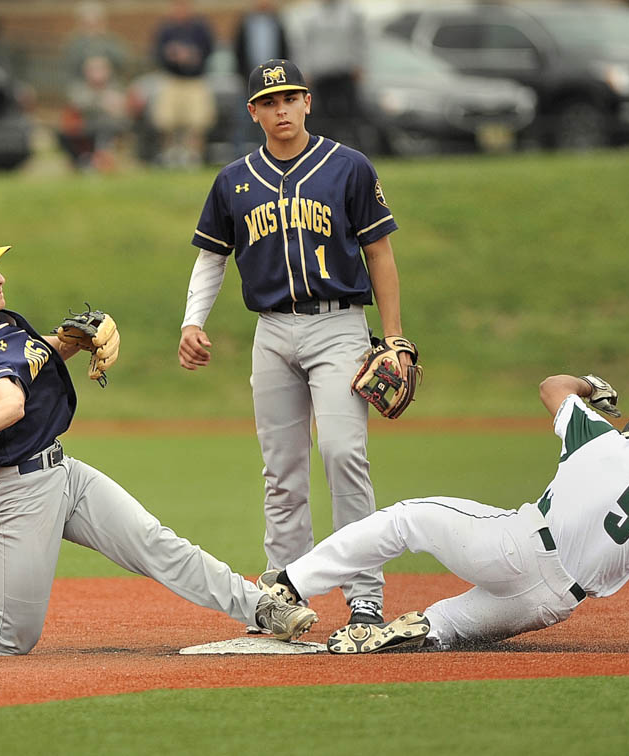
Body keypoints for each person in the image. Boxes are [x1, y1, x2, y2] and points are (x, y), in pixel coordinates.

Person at [0, 233, 318, 655]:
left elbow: (30, 359)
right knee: (13, 633)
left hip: (64, 474)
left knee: (157, 543)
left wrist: (67, 341)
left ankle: (262, 607)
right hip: (16, 493)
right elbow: (11, 404)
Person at [257, 374, 629, 655]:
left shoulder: (603, 439)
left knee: (404, 520)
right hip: (551, 605)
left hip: (517, 547)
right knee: (449, 626)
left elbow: (552, 386)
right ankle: (426, 626)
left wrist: (591, 386)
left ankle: (291, 582)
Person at [177, 59, 412, 629]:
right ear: (253, 111)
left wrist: (397, 335)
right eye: (269, 101)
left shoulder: (347, 167)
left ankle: (364, 595)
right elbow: (213, 258)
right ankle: (286, 593)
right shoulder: (233, 180)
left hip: (338, 326)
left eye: (290, 98)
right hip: (272, 332)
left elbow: (379, 253)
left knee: (342, 453)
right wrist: (191, 321)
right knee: (281, 471)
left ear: (307, 102)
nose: (281, 110)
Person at [150, 0, 216, 167]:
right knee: (166, 119)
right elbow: (156, 53)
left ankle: (193, 155)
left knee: (197, 120)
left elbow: (210, 50)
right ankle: (169, 154)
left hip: (195, 80)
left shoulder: (200, 28)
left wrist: (193, 55)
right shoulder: (166, 29)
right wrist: (172, 55)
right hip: (173, 79)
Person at [293, 0, 367, 147]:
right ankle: (324, 148)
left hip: (345, 72)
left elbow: (360, 41)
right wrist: (305, 71)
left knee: (350, 115)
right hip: (320, 74)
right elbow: (303, 45)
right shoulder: (309, 14)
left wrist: (360, 64)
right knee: (322, 116)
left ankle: (356, 148)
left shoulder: (352, 13)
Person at [232, 0, 290, 154]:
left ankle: (270, 153)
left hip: (274, 82)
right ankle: (239, 155)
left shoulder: (277, 23)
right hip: (249, 81)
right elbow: (238, 52)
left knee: (272, 117)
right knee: (244, 119)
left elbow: (285, 51)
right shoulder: (245, 23)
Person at [57, 55, 129, 172]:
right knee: (64, 134)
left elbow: (122, 110)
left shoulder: (117, 87)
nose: (97, 73)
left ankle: (102, 160)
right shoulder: (78, 88)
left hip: (109, 128)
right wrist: (102, 101)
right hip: (84, 127)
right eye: (93, 70)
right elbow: (78, 104)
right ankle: (84, 161)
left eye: (100, 69)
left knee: (107, 127)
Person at [61, 1, 131, 87]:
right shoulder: (74, 43)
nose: (92, 27)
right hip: (81, 84)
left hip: (111, 84)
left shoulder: (112, 40)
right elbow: (70, 66)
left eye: (95, 23)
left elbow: (124, 62)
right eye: (87, 24)